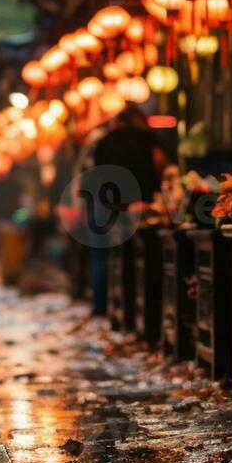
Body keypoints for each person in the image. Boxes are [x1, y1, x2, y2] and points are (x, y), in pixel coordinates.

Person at [86, 107, 167, 317]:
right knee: (139, 255)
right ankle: (134, 308)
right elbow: (163, 166)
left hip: (106, 203)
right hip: (140, 203)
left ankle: (102, 307)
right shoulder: (148, 139)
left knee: (103, 256)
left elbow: (94, 171)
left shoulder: (104, 140)